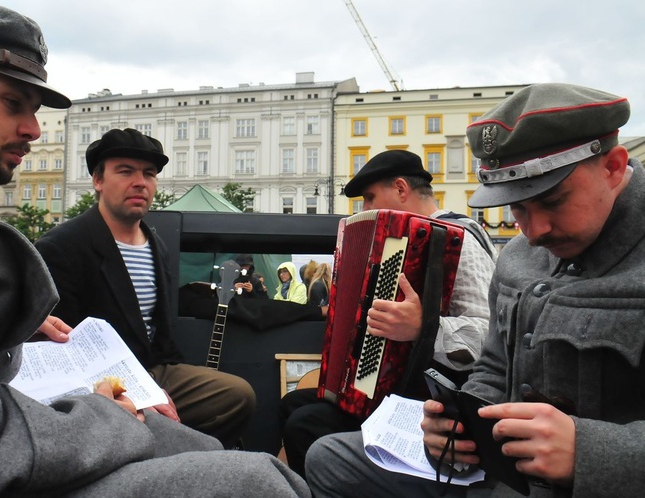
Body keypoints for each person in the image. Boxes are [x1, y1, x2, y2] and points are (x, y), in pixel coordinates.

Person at [0, 3, 309, 497]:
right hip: (24, 428)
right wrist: (103, 417)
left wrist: (11, 326)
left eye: (149, 174)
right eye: (12, 103)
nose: (33, 130)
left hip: (36, 415)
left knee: (223, 453)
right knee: (258, 483)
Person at [307, 82, 645, 498]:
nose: (533, 232)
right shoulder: (517, 255)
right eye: (517, 208)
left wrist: (589, 452)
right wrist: (457, 419)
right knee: (327, 457)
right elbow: (493, 368)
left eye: (554, 200)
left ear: (612, 166)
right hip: (490, 468)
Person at [281, 148, 496, 479]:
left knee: (304, 423)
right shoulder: (393, 240)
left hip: (435, 404)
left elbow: (490, 336)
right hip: (389, 390)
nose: (364, 209)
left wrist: (424, 328)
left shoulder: (460, 238)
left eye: (369, 198)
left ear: (400, 189)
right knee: (293, 405)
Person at [35, 127, 256, 449]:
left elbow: (158, 332)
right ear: (98, 181)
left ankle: (183, 462)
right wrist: (139, 392)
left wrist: (155, 385)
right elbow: (62, 346)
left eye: (149, 174)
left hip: (152, 367)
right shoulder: (63, 245)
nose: (140, 182)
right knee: (162, 425)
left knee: (238, 395)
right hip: (95, 381)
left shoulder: (156, 244)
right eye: (125, 172)